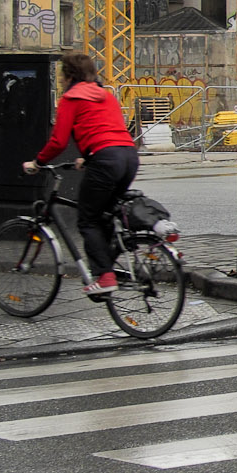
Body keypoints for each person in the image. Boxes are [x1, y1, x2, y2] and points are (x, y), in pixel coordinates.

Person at [22, 53, 138, 298]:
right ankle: (110, 266)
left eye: (62, 75)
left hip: (106, 161)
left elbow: (58, 141)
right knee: (105, 215)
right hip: (128, 157)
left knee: (87, 220)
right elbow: (111, 130)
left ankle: (105, 276)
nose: (61, 80)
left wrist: (37, 162)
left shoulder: (71, 98)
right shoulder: (107, 95)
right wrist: (87, 157)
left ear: (69, 75)